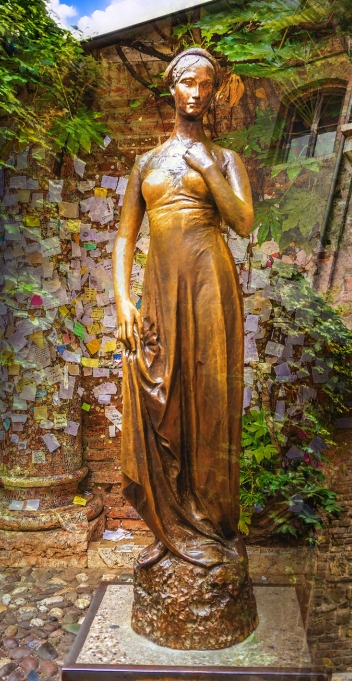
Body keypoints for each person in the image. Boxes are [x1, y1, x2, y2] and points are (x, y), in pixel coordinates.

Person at [112, 47, 254, 571]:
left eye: (206, 86)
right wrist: (123, 299)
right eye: (188, 83)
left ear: (213, 94)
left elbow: (243, 221)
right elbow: (125, 238)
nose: (197, 93)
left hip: (209, 282)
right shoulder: (145, 164)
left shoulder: (225, 159)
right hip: (160, 287)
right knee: (157, 392)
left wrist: (209, 171)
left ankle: (212, 525)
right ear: (172, 87)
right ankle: (168, 525)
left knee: (210, 399)